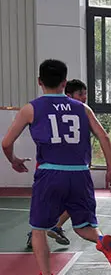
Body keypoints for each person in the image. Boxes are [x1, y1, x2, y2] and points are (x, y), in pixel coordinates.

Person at [2, 59, 111, 275]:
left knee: (38, 229)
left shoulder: (31, 109)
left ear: (39, 81)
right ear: (64, 82)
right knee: (84, 226)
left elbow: (6, 143)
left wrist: (13, 160)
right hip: (80, 174)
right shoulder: (82, 108)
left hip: (50, 173)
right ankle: (101, 241)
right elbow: (103, 137)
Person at [23, 80, 87, 251]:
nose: (84, 97)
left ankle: (46, 229)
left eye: (85, 94)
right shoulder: (52, 110)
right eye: (80, 94)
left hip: (65, 169)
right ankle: (46, 229)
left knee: (65, 202)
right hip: (52, 169)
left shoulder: (79, 112)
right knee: (62, 202)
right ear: (69, 95)